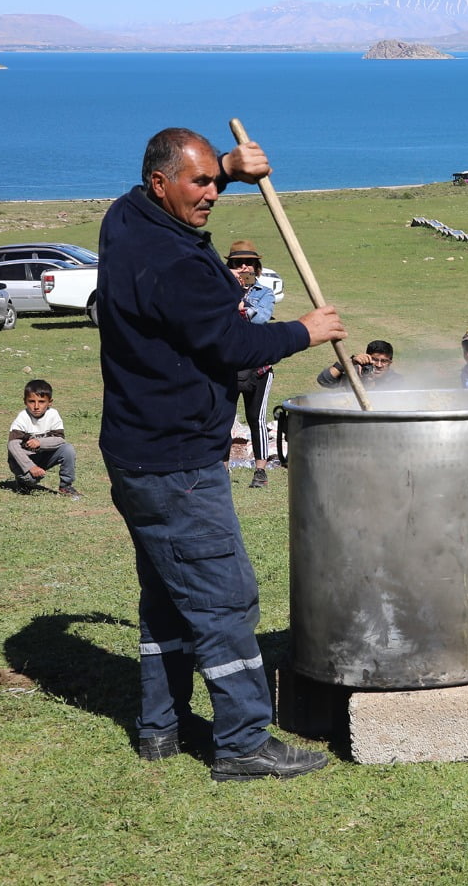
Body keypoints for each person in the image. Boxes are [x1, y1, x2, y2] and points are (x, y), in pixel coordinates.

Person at [99, 126, 345, 780]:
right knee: (224, 598)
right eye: (199, 183)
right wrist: (307, 330)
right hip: (177, 463)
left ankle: (161, 727)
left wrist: (229, 167)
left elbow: (181, 189)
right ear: (161, 184)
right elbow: (237, 349)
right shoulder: (179, 267)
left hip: (134, 453)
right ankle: (241, 742)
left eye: (215, 180)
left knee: (168, 598)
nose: (211, 193)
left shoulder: (124, 218)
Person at [227, 240, 276, 489]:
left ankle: (260, 472)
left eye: (249, 263)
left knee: (256, 418)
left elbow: (262, 319)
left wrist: (241, 306)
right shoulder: (219, 291)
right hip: (227, 365)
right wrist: (229, 292)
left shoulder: (264, 293)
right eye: (237, 263)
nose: (243, 267)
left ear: (256, 267)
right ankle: (221, 470)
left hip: (259, 367)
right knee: (223, 418)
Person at [6, 378, 80, 498]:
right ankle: (23, 482)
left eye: (41, 401)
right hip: (23, 461)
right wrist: (31, 467)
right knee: (32, 480)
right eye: (31, 401)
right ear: (25, 401)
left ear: (50, 402)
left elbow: (60, 439)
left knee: (68, 449)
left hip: (42, 455)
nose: (36, 406)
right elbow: (12, 445)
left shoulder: (53, 415)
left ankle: (66, 486)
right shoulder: (22, 418)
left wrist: (40, 442)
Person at [317, 339, 404, 392]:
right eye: (375, 359)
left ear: (390, 363)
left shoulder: (395, 380)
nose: (379, 365)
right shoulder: (355, 373)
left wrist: (370, 383)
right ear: (367, 358)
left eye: (384, 361)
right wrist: (349, 363)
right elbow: (324, 380)